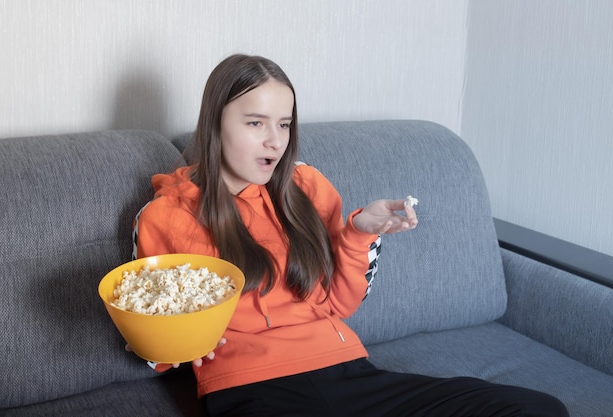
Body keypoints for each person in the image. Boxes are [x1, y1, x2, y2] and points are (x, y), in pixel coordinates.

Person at [131, 54, 569, 417]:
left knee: (539, 409)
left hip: (348, 373)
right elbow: (155, 349)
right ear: (215, 123)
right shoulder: (165, 215)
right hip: (251, 389)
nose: (274, 142)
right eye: (255, 123)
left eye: (284, 124)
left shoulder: (304, 188)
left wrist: (358, 234)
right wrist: (182, 342)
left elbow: (339, 304)